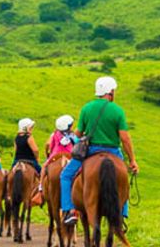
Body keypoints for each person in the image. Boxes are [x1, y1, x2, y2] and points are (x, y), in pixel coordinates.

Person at [61, 76, 139, 225]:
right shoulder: (117, 111)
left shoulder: (87, 108)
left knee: (66, 175)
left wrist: (72, 140)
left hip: (90, 151)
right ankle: (122, 213)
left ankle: (69, 211)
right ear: (110, 92)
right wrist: (132, 160)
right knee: (123, 178)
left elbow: (78, 133)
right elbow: (125, 138)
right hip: (113, 151)